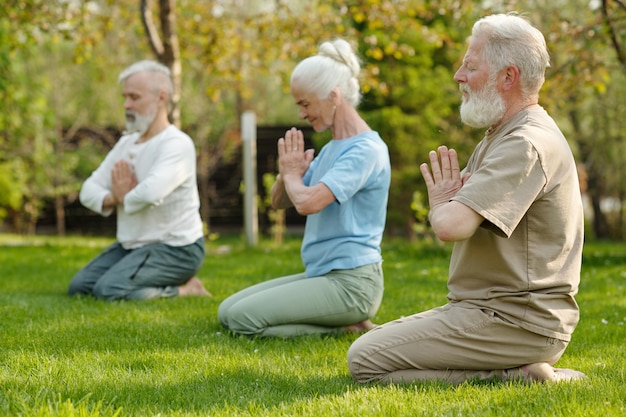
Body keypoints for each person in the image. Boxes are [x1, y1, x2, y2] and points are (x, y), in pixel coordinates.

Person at [348, 13, 586, 384]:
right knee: (373, 344)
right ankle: (517, 371)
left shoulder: (524, 144)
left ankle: (509, 374)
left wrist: (442, 202)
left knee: (365, 361)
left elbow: (451, 226)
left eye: (470, 66)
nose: (459, 75)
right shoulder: (501, 136)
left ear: (508, 77)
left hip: (515, 323)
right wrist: (449, 203)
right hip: (489, 313)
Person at [218, 39, 391, 337]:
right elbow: (279, 202)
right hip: (323, 276)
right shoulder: (333, 149)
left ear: (334, 96)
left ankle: (341, 328)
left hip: (352, 284)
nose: (301, 114)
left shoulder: (366, 150)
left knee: (242, 320)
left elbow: (308, 203)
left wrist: (294, 177)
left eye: (305, 104)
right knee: (227, 311)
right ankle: (345, 323)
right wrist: (287, 174)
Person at [68, 60, 211, 301]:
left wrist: (123, 197)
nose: (127, 105)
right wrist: (114, 197)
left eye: (134, 97)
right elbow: (87, 191)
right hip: (132, 246)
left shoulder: (177, 144)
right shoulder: (126, 143)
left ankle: (187, 289)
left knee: (108, 290)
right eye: (125, 97)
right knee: (80, 287)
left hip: (176, 248)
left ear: (161, 98)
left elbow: (150, 193)